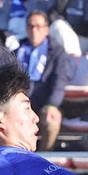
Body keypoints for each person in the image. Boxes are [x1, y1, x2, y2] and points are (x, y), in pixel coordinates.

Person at [14, 10, 73, 151]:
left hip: (44, 104)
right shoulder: (17, 52)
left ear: (46, 29)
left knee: (51, 119)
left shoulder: (57, 53)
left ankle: (45, 157)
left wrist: (52, 104)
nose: (34, 31)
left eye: (39, 27)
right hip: (20, 104)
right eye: (31, 26)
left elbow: (60, 81)